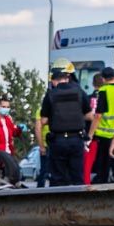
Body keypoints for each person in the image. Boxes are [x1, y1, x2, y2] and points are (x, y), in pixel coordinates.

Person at [38, 59, 91, 187]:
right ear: (68, 77)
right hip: (76, 140)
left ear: (54, 79)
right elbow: (90, 116)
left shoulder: (51, 94)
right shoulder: (80, 92)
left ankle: (58, 205)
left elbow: (43, 121)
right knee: (77, 177)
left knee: (58, 178)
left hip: (58, 141)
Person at [90, 67, 114, 184]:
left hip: (105, 135)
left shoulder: (103, 90)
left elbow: (98, 115)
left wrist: (90, 134)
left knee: (103, 169)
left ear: (103, 78)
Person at [83, 73, 105, 185]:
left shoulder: (87, 99)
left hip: (91, 138)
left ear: (92, 84)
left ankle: (86, 188)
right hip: (106, 136)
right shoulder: (107, 97)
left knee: (87, 167)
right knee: (104, 166)